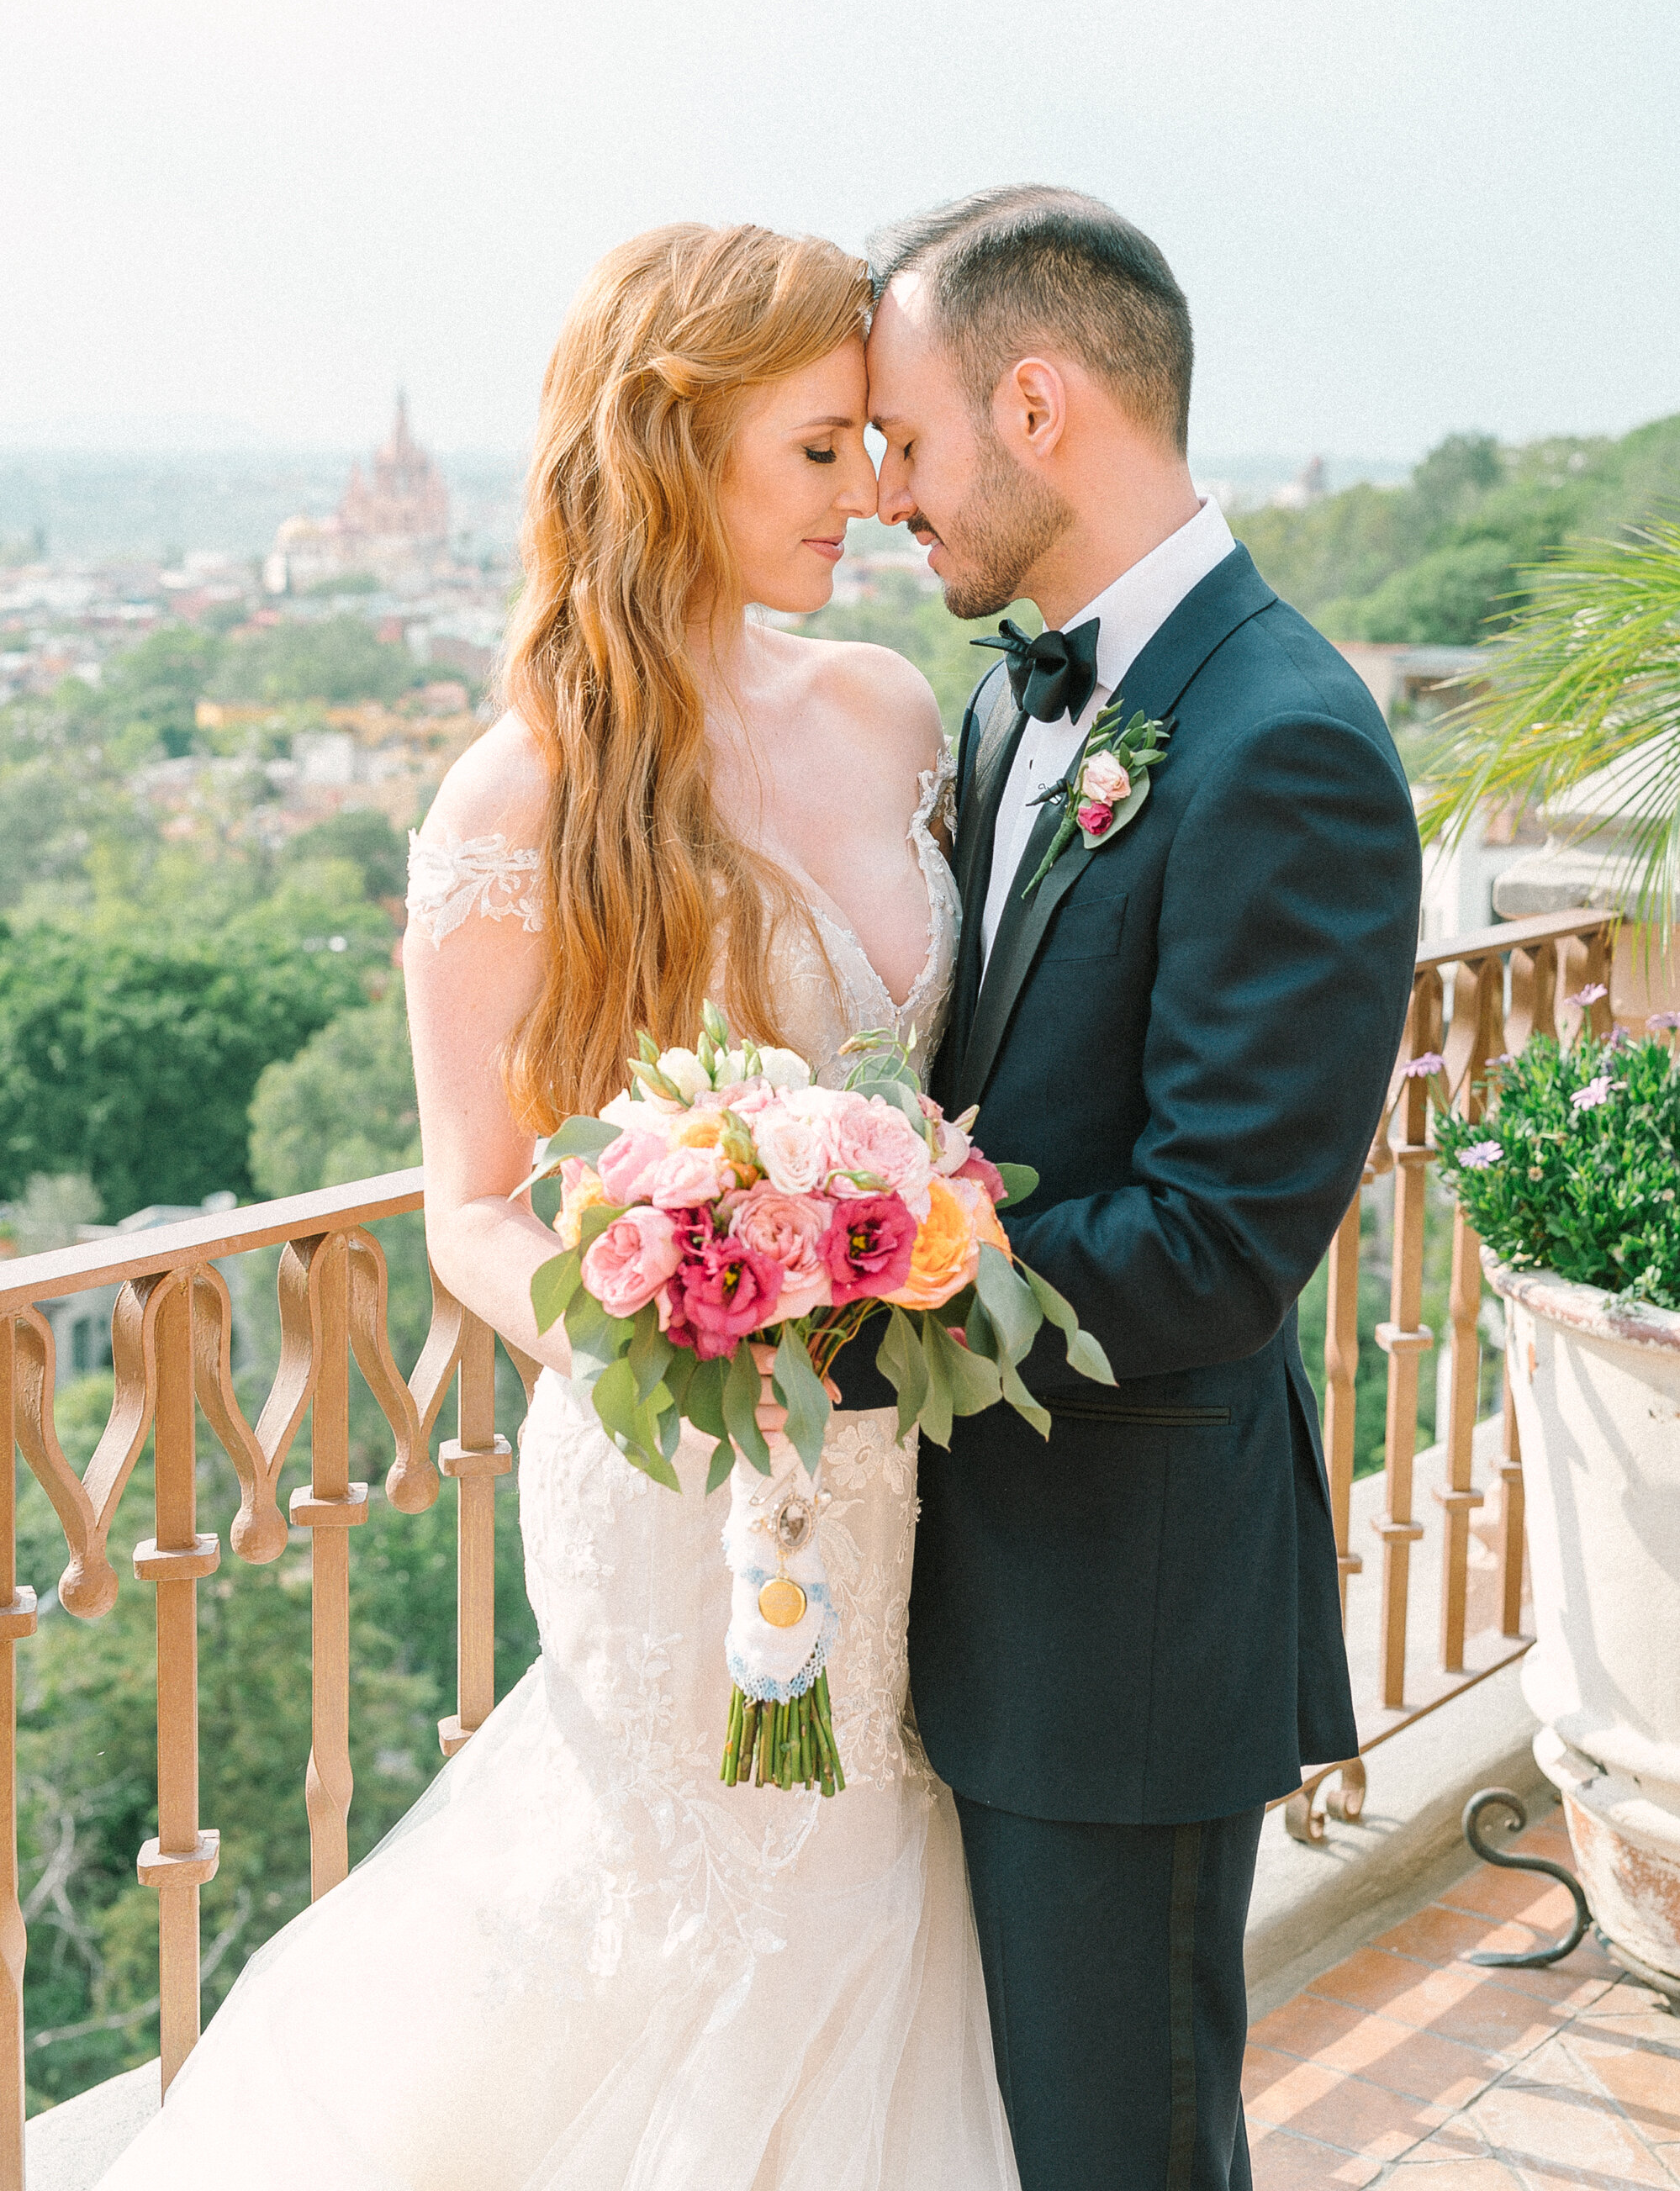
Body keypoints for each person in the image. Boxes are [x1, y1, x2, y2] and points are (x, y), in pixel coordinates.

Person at [97, 223, 1017, 2190]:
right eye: (819, 452)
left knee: (882, 1902)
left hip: (905, 1466)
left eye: (873, 447)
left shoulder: (886, 713)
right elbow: (472, 1208)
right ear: (674, 445)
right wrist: (669, 1325)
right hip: (675, 1475)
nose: (871, 495)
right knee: (692, 1926)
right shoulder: (515, 804)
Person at [865, 186, 1422, 2191]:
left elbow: (1215, 1240)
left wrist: (854, 1292)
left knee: (1120, 2158)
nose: (881, 499)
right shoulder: (1019, 695)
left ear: (1036, 404)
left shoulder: (1292, 744)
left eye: (906, 443)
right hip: (933, 1579)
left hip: (1126, 1615)